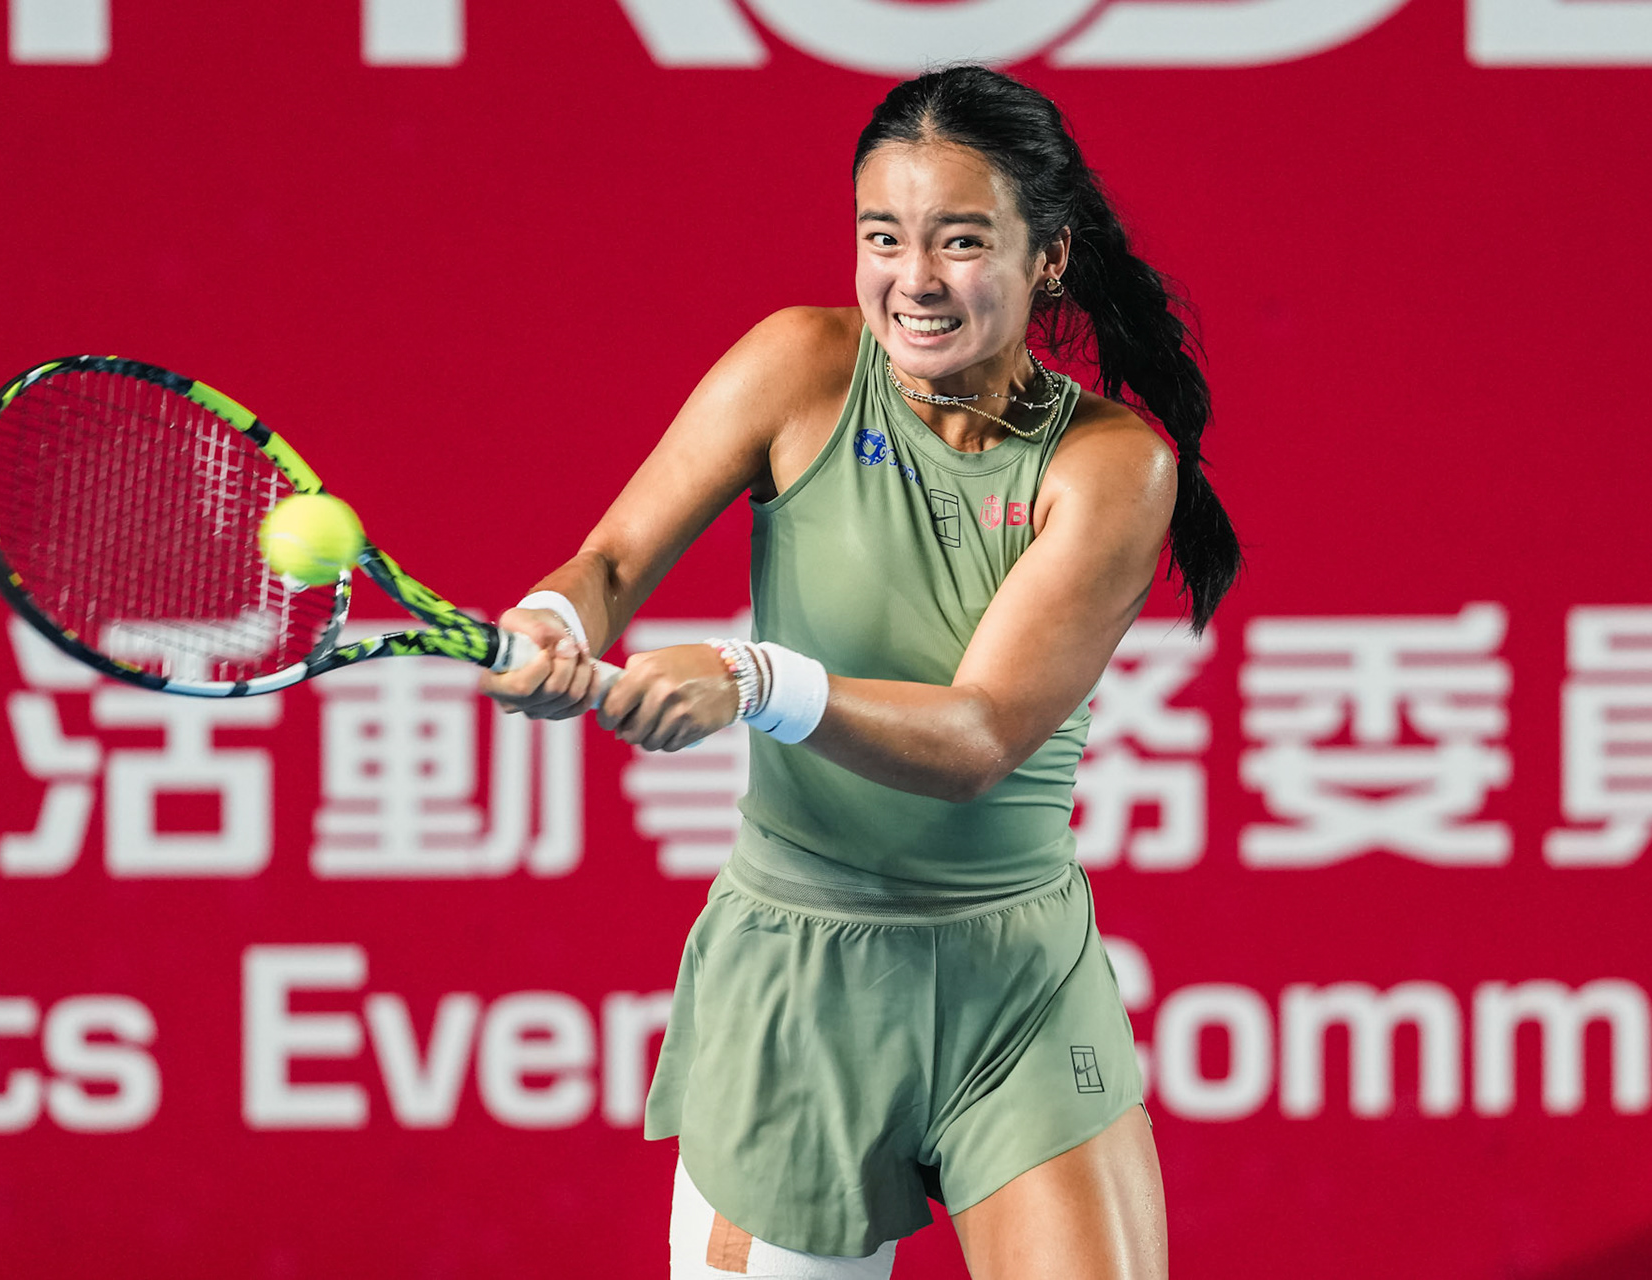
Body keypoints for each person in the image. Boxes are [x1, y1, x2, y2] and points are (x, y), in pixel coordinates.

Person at [483, 65, 1240, 1280]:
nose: (914, 279)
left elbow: (980, 734)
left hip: (1017, 987)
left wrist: (752, 678)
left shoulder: (1110, 465)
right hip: (800, 976)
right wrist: (556, 615)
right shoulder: (800, 366)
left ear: (1048, 256)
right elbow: (612, 560)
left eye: (961, 241)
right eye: (883, 237)